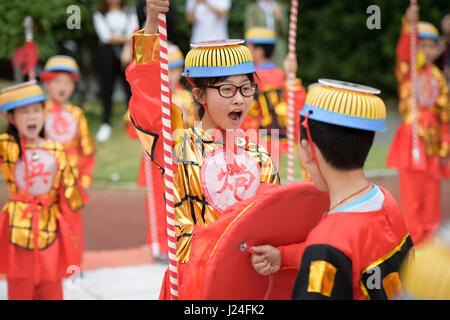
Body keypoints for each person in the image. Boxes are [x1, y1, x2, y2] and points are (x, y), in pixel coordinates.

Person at [127, 0, 280, 299]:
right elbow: (146, 102)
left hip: (247, 285)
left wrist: (275, 254)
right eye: (226, 89)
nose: (239, 99)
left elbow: (273, 225)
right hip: (192, 283)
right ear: (198, 94)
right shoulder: (177, 146)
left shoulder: (261, 155)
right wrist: (152, 21)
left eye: (246, 88)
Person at [249, 79, 414, 300]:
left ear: (306, 151)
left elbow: (332, 250)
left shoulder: (328, 241)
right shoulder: (385, 200)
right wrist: (283, 256)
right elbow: (344, 251)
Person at [0, 81, 84, 300]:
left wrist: (70, 231)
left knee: (51, 287)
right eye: (24, 112)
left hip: (50, 229)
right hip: (18, 230)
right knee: (20, 286)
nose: (32, 117)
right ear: (11, 118)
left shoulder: (56, 149)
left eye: (37, 110)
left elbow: (70, 195)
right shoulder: (7, 146)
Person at [123, 43, 196, 261]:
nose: (171, 76)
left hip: (182, 158)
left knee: (184, 201)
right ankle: (160, 244)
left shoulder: (187, 98)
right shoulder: (151, 97)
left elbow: (196, 125)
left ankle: (183, 241)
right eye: (166, 71)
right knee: (158, 202)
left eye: (175, 70)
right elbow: (133, 127)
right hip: (156, 159)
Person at [386, 3, 450, 246]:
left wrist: (445, 146)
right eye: (422, 44)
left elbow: (444, 114)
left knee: (431, 189)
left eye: (432, 45)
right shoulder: (407, 69)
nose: (428, 49)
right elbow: (404, 51)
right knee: (412, 187)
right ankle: (414, 232)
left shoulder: (437, 77)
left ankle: (430, 232)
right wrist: (409, 24)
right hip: (412, 135)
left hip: (432, 137)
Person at [40, 55, 96, 264]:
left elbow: (87, 150)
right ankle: (49, 263)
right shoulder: (39, 113)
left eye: (67, 81)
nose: (62, 87)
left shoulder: (77, 114)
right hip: (45, 178)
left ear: (73, 86)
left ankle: (72, 264)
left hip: (72, 180)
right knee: (46, 220)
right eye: (56, 81)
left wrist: (85, 179)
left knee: (72, 221)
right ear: (46, 83)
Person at [243, 27, 306, 169]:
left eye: (249, 47)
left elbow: (251, 111)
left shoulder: (254, 76)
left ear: (257, 50)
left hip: (260, 136)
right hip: (280, 137)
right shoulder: (280, 74)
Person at [93, 0, 139, 142]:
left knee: (130, 88)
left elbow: (135, 31)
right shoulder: (99, 14)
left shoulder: (129, 11)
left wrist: (126, 48)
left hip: (127, 53)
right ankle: (106, 123)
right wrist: (126, 39)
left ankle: (133, 121)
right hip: (107, 54)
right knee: (107, 88)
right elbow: (105, 37)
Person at [244, 0, 288, 68]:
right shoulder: (252, 8)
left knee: (279, 73)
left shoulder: (279, 7)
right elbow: (249, 32)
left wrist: (279, 19)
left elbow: (285, 31)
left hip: (278, 47)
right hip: (260, 48)